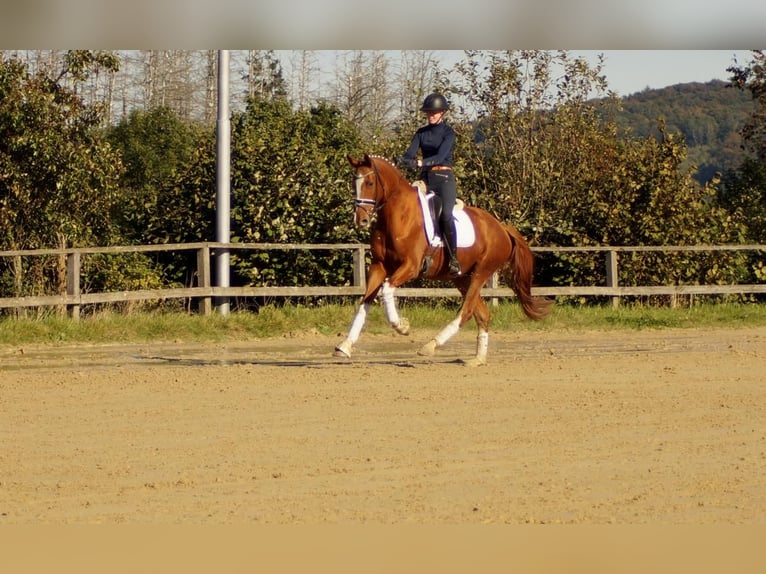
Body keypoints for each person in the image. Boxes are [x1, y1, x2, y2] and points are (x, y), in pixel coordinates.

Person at [398, 92, 462, 276]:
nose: (431, 116)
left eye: (434, 113)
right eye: (428, 113)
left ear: (442, 113)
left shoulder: (448, 133)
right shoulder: (421, 133)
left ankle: (454, 259)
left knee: (446, 216)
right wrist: (404, 160)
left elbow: (440, 156)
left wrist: (420, 162)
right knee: (413, 213)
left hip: (444, 180)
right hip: (425, 181)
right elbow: (410, 153)